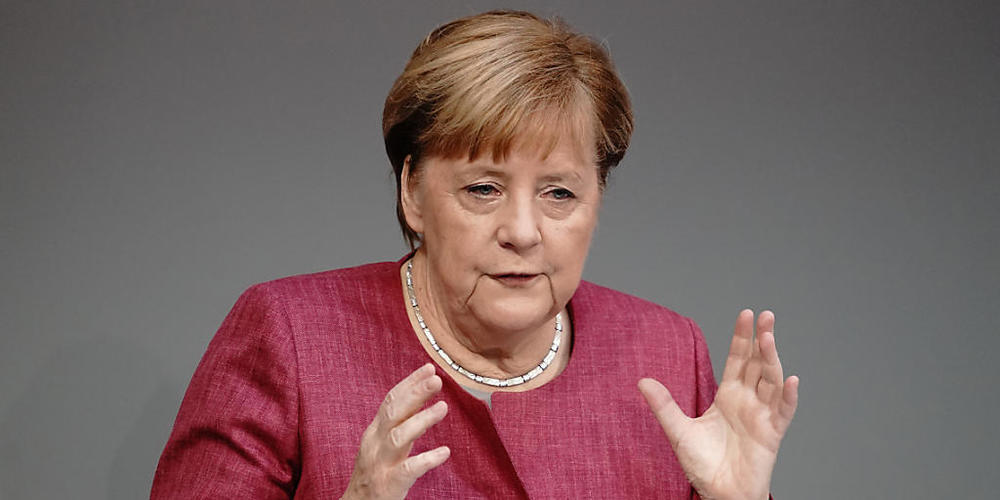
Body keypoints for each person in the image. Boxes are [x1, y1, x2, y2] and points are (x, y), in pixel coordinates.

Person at [152, 10, 798, 499]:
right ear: (412, 192)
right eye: (483, 188)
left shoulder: (664, 352)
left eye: (560, 193)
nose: (522, 230)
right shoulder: (290, 335)